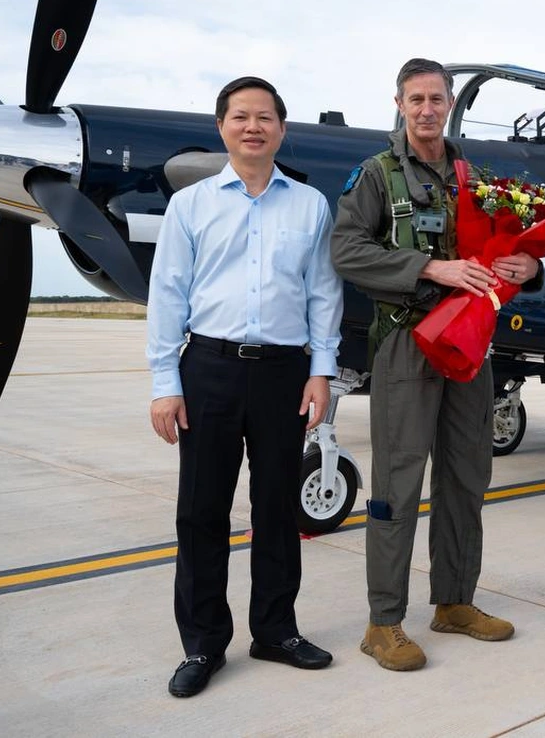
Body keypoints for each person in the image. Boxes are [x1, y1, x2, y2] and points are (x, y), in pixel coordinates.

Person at [331, 57, 538, 672]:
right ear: (399, 104)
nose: (427, 109)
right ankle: (383, 622)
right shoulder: (376, 175)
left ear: (450, 104)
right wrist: (430, 268)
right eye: (416, 99)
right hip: (407, 342)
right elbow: (347, 248)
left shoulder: (474, 177)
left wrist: (528, 269)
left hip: (470, 345)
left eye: (436, 99)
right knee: (398, 482)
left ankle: (454, 602)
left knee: (467, 476)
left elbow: (507, 244)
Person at [147, 76, 343, 698]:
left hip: (285, 372)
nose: (252, 126)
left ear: (282, 129)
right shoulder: (192, 205)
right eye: (240, 116)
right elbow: (167, 295)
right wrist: (164, 382)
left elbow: (323, 293)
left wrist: (322, 371)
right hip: (208, 369)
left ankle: (275, 629)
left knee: (279, 506)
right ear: (222, 128)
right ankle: (204, 644)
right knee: (201, 509)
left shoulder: (309, 206)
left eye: (265, 117)